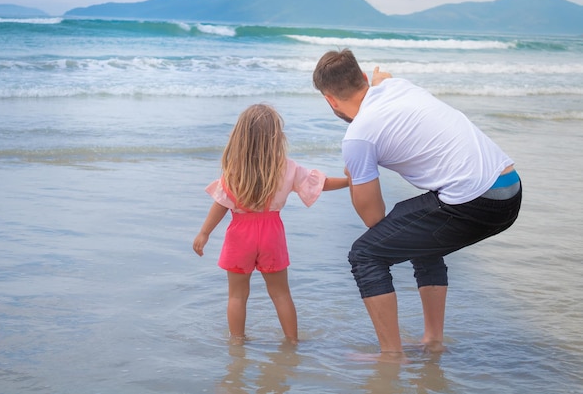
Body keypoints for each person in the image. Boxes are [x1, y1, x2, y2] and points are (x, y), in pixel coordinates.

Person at [312, 49, 522, 358]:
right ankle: (432, 340)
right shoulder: (396, 87)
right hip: (510, 187)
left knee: (365, 254)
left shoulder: (358, 136)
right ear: (363, 79)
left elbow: (374, 218)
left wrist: (355, 176)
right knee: (418, 236)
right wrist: (379, 76)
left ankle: (391, 354)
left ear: (330, 99)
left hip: (477, 200)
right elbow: (385, 76)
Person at [193, 103, 348, 345]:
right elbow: (321, 184)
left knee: (237, 295)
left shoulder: (234, 171)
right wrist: (350, 181)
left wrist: (204, 233)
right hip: (271, 233)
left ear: (240, 136)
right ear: (276, 137)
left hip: (239, 234)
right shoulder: (286, 167)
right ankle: (292, 341)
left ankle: (237, 341)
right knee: (280, 293)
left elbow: (221, 204)